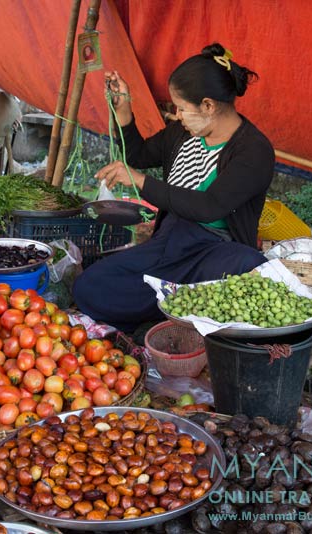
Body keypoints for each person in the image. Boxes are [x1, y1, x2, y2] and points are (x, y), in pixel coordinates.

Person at [73, 43, 274, 332]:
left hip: (215, 252)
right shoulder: (182, 133)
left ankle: (165, 315)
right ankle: (170, 317)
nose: (177, 115)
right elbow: (139, 155)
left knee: (250, 266)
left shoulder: (253, 150)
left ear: (208, 105)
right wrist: (125, 113)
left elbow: (209, 206)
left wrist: (140, 181)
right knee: (90, 285)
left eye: (182, 108)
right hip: (169, 244)